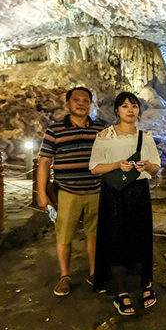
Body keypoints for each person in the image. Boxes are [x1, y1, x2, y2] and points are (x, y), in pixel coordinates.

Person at [89, 92, 161, 315]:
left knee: (140, 238)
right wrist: (116, 165)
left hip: (138, 192)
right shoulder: (105, 136)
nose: (130, 110)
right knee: (116, 239)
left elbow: (156, 167)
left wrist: (146, 166)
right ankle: (121, 292)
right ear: (117, 111)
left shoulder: (145, 137)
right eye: (124, 106)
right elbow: (94, 167)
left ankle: (145, 284)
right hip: (114, 194)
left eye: (134, 106)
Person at [37, 86, 105, 297]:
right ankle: (65, 276)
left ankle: (94, 273)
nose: (82, 103)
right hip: (67, 192)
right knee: (64, 236)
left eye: (86, 100)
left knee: (94, 235)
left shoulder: (100, 130)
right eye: (77, 100)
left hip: (96, 190)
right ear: (68, 103)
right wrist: (42, 193)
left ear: (90, 104)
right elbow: (44, 162)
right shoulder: (55, 130)